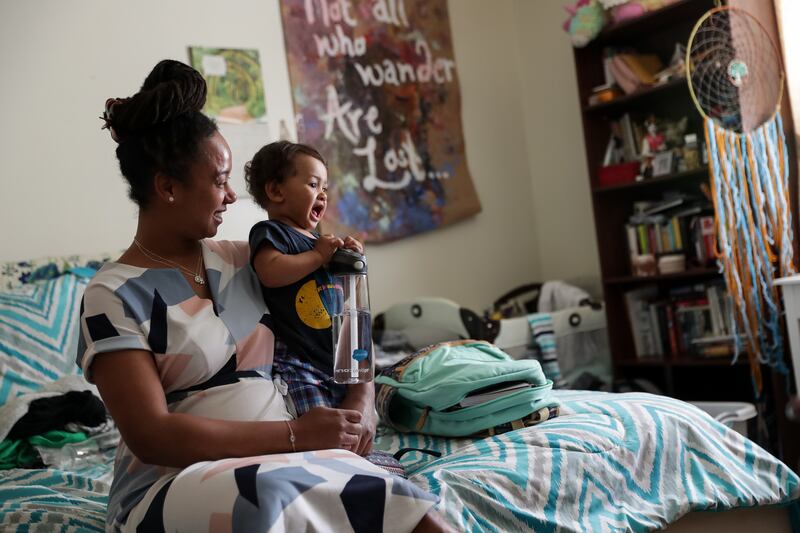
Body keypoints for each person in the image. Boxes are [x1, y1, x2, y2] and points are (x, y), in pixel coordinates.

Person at [77, 59, 448, 532]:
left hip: (294, 457)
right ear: (167, 187)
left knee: (412, 509)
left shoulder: (248, 259)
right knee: (272, 495)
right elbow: (152, 436)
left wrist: (361, 397)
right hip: (174, 481)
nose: (232, 196)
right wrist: (294, 436)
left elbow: (346, 316)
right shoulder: (111, 293)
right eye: (219, 180)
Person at [244, 141, 377, 454]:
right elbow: (270, 271)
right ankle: (333, 468)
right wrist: (318, 256)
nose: (323, 194)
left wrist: (345, 260)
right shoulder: (271, 232)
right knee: (325, 435)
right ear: (276, 191)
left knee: (353, 428)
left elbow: (343, 302)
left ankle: (362, 465)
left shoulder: (317, 242)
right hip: (299, 362)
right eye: (313, 184)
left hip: (336, 358)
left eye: (325, 187)